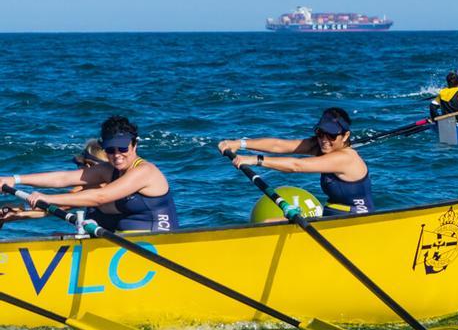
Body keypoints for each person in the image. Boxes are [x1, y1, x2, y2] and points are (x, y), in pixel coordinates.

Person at [0, 116, 178, 233]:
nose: (117, 155)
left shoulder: (145, 171)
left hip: (159, 243)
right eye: (110, 149)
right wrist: (15, 179)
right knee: (57, 236)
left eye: (123, 148)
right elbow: (64, 178)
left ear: (134, 146)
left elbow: (100, 197)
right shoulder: (109, 170)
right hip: (125, 241)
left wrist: (48, 199)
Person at [218, 108, 374, 216]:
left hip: (356, 220)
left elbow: (297, 165)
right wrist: (240, 143)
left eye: (332, 135)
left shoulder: (346, 158)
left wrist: (255, 160)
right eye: (321, 133)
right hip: (334, 214)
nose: (324, 140)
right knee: (271, 221)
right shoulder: (321, 145)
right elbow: (279, 145)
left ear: (345, 136)